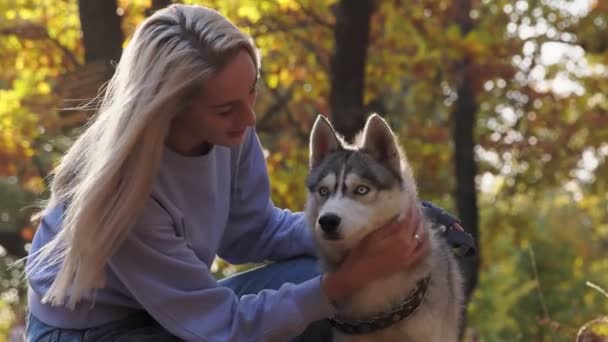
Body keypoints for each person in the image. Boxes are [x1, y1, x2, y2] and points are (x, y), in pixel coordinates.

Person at [24, 4, 471, 341]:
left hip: (182, 309)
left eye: (252, 93)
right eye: (226, 108)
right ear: (171, 109)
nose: (249, 119)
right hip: (97, 332)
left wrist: (377, 230)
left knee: (407, 257)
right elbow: (222, 327)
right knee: (332, 304)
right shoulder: (129, 193)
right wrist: (352, 277)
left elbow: (250, 231)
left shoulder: (228, 132)